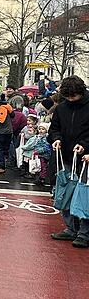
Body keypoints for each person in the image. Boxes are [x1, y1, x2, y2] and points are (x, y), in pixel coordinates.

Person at [49, 76, 89, 247]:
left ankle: (84, 232)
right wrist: (56, 139)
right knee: (65, 193)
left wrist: (86, 146)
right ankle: (71, 228)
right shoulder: (61, 108)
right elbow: (54, 128)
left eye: (74, 96)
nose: (71, 100)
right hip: (65, 155)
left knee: (84, 196)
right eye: (68, 97)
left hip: (85, 158)